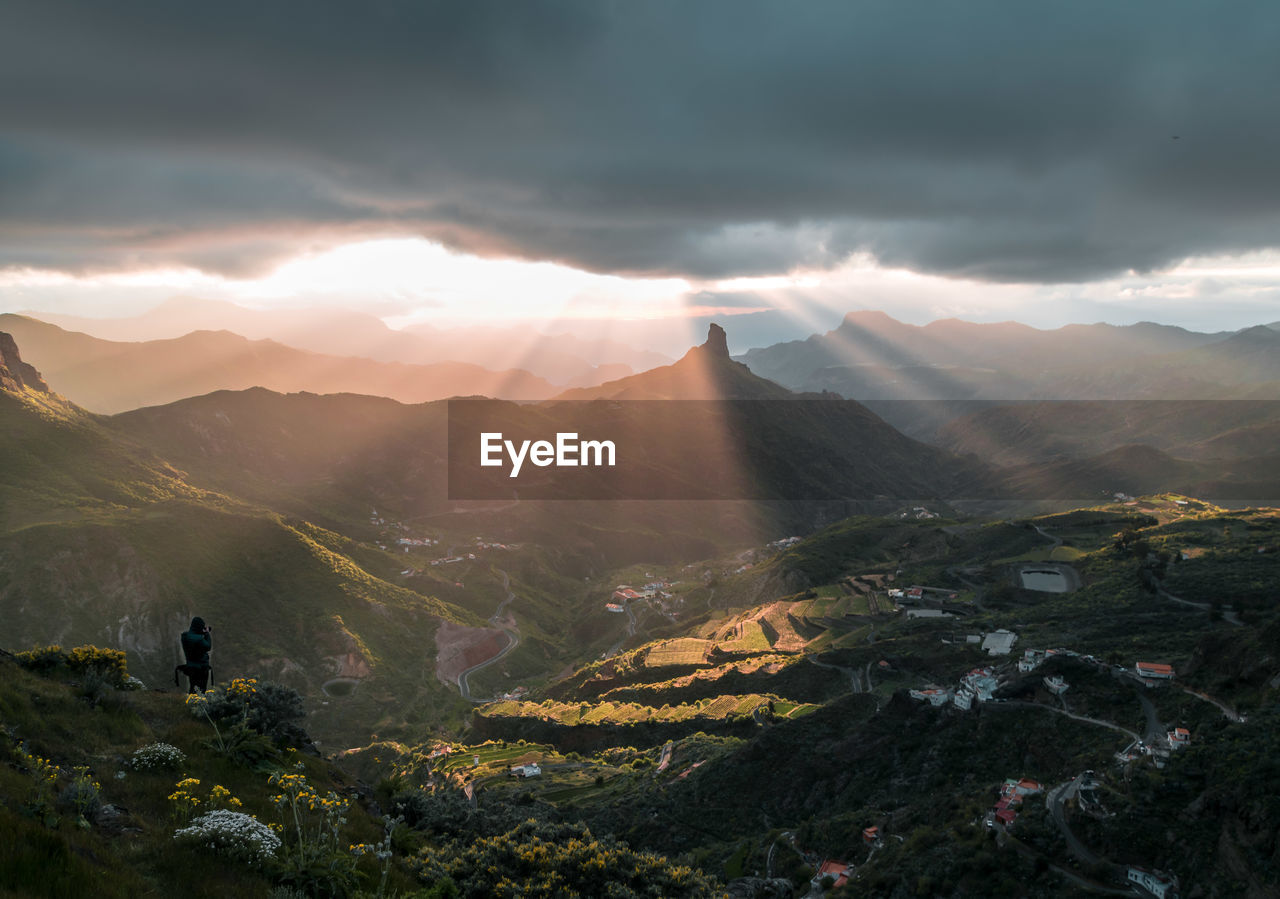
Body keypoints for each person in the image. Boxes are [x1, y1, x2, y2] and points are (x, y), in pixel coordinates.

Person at [176, 616, 212, 694]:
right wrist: (207, 634)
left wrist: (200, 632)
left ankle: (191, 703)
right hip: (201, 668)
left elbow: (193, 639)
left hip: (191, 667)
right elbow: (208, 646)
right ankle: (198, 705)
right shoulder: (199, 639)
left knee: (193, 688)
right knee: (201, 690)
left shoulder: (185, 637)